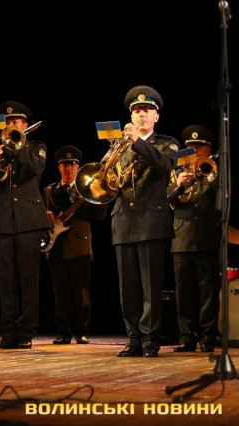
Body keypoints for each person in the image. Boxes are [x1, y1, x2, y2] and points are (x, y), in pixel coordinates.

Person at [111, 85, 179, 358]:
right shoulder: (120, 145)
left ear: (156, 116)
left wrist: (138, 142)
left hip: (151, 221)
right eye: (137, 110)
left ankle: (150, 340)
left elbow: (166, 165)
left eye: (147, 110)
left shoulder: (167, 143)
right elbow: (111, 179)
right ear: (131, 115)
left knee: (150, 287)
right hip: (123, 221)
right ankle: (133, 339)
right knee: (127, 288)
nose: (141, 114)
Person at [0, 101, 51, 350]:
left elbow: (34, 169)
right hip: (3, 222)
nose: (11, 124)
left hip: (30, 221)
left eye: (16, 121)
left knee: (29, 280)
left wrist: (17, 146)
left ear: (25, 124)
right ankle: (8, 332)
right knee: (6, 281)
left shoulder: (37, 148)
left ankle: (26, 332)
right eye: (8, 122)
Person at [43, 146, 108, 344]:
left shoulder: (85, 191)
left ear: (78, 167)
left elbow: (100, 216)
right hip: (56, 247)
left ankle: (81, 330)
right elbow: (42, 217)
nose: (68, 168)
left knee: (81, 293)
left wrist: (100, 196)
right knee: (60, 294)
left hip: (80, 246)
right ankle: (63, 331)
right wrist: (45, 217)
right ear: (58, 167)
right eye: (64, 164)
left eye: (72, 164)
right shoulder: (49, 190)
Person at [169, 125, 221, 353]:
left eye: (199, 146)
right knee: (184, 293)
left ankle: (208, 338)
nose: (195, 150)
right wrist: (179, 185)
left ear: (209, 148)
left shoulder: (216, 171)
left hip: (208, 237)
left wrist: (209, 176)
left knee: (208, 293)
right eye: (190, 147)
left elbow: (223, 199)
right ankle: (186, 338)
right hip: (182, 238)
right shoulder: (177, 172)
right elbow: (166, 200)